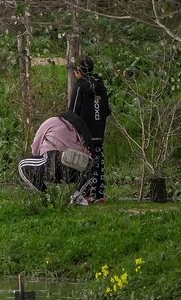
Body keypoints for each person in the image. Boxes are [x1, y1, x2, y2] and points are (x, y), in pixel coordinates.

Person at [18, 112, 93, 202]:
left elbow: (35, 148)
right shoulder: (80, 132)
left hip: (52, 163)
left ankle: (45, 195)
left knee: (22, 165)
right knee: (90, 166)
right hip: (73, 172)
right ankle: (78, 196)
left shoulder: (52, 121)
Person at [68, 56, 112, 203]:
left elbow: (73, 112)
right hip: (99, 132)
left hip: (84, 133)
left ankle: (84, 194)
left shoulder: (80, 86)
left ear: (79, 71)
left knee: (83, 163)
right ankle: (99, 195)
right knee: (98, 162)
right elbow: (106, 110)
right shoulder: (101, 85)